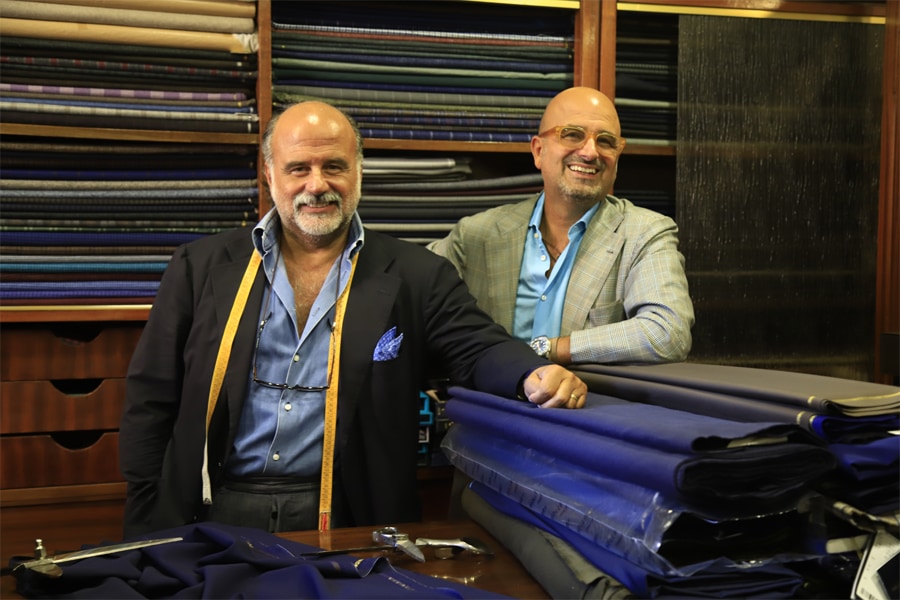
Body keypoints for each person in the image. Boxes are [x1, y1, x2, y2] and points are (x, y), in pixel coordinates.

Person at [119, 100, 588, 539]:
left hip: (349, 520)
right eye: (298, 168)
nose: (316, 184)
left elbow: (480, 346)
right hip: (210, 510)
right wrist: (146, 520)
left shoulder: (416, 274)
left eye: (334, 167)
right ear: (269, 174)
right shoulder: (200, 268)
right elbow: (152, 398)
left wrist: (532, 372)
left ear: (359, 172)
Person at [429, 86, 694, 365]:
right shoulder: (476, 235)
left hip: (587, 404)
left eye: (605, 141)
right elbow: (409, 289)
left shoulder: (645, 233)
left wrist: (545, 349)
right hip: (490, 403)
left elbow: (667, 334)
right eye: (572, 134)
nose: (590, 152)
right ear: (538, 151)